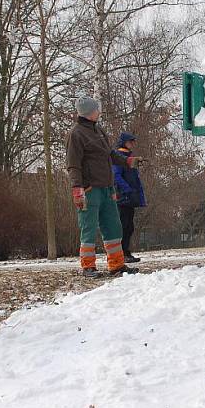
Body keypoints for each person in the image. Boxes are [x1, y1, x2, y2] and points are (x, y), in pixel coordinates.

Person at [66, 97, 142, 278]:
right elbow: (73, 165)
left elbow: (110, 154)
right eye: (96, 109)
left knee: (114, 227)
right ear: (88, 112)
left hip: (107, 189)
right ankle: (88, 267)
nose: (99, 112)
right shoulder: (75, 134)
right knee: (89, 227)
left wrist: (128, 161)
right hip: (89, 190)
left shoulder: (98, 130)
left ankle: (116, 265)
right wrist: (78, 189)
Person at [112, 132, 146, 263]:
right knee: (124, 226)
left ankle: (126, 252)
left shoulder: (129, 157)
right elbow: (116, 176)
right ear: (124, 142)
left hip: (130, 197)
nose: (132, 144)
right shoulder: (119, 157)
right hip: (123, 197)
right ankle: (121, 253)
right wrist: (127, 190)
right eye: (130, 141)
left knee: (129, 226)